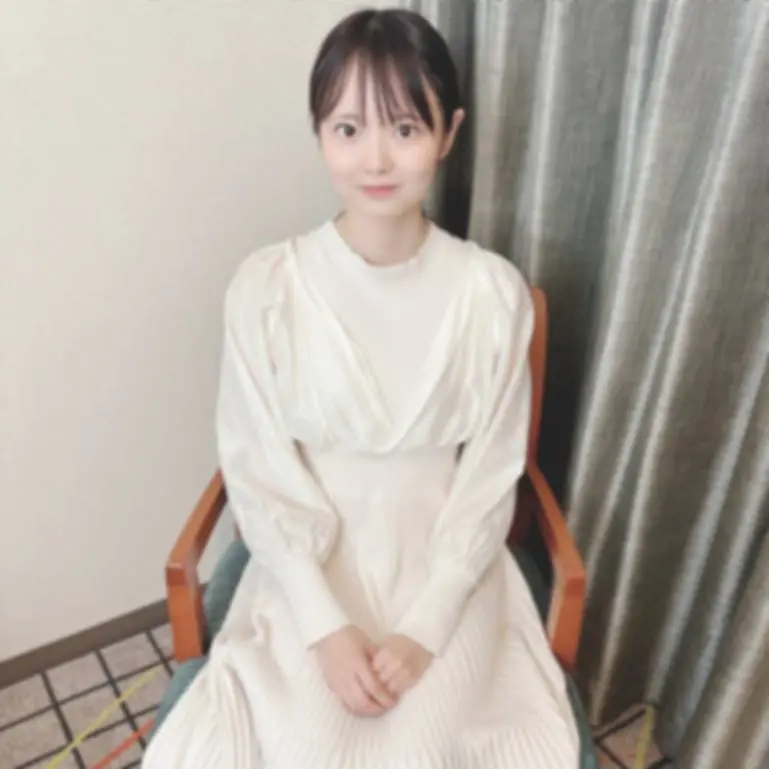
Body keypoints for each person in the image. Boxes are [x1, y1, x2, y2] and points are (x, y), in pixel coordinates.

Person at [142, 7, 579, 768]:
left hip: (447, 560)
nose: (376, 158)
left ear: (448, 133)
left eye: (405, 128)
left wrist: (426, 628)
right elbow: (256, 465)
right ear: (319, 132)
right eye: (348, 129)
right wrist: (324, 627)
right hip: (307, 560)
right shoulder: (266, 289)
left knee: (451, 742)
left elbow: (490, 476)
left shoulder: (493, 294)